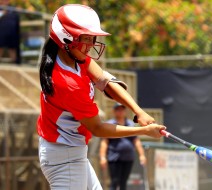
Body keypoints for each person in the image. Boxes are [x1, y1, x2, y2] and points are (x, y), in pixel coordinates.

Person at [37, 4, 165, 190]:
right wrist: (143, 131)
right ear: (66, 39)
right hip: (65, 159)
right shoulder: (67, 82)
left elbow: (105, 81)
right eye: (85, 39)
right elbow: (98, 128)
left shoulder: (75, 58)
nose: (91, 45)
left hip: (71, 154)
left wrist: (139, 111)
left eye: (92, 39)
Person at [99, 103, 147, 190]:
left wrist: (142, 155)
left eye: (122, 109)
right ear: (114, 111)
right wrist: (102, 157)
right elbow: (104, 142)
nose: (120, 112)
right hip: (114, 157)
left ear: (125, 111)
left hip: (128, 158)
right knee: (114, 181)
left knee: (123, 182)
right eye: (118, 109)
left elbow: (136, 141)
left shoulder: (130, 124)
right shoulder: (110, 124)